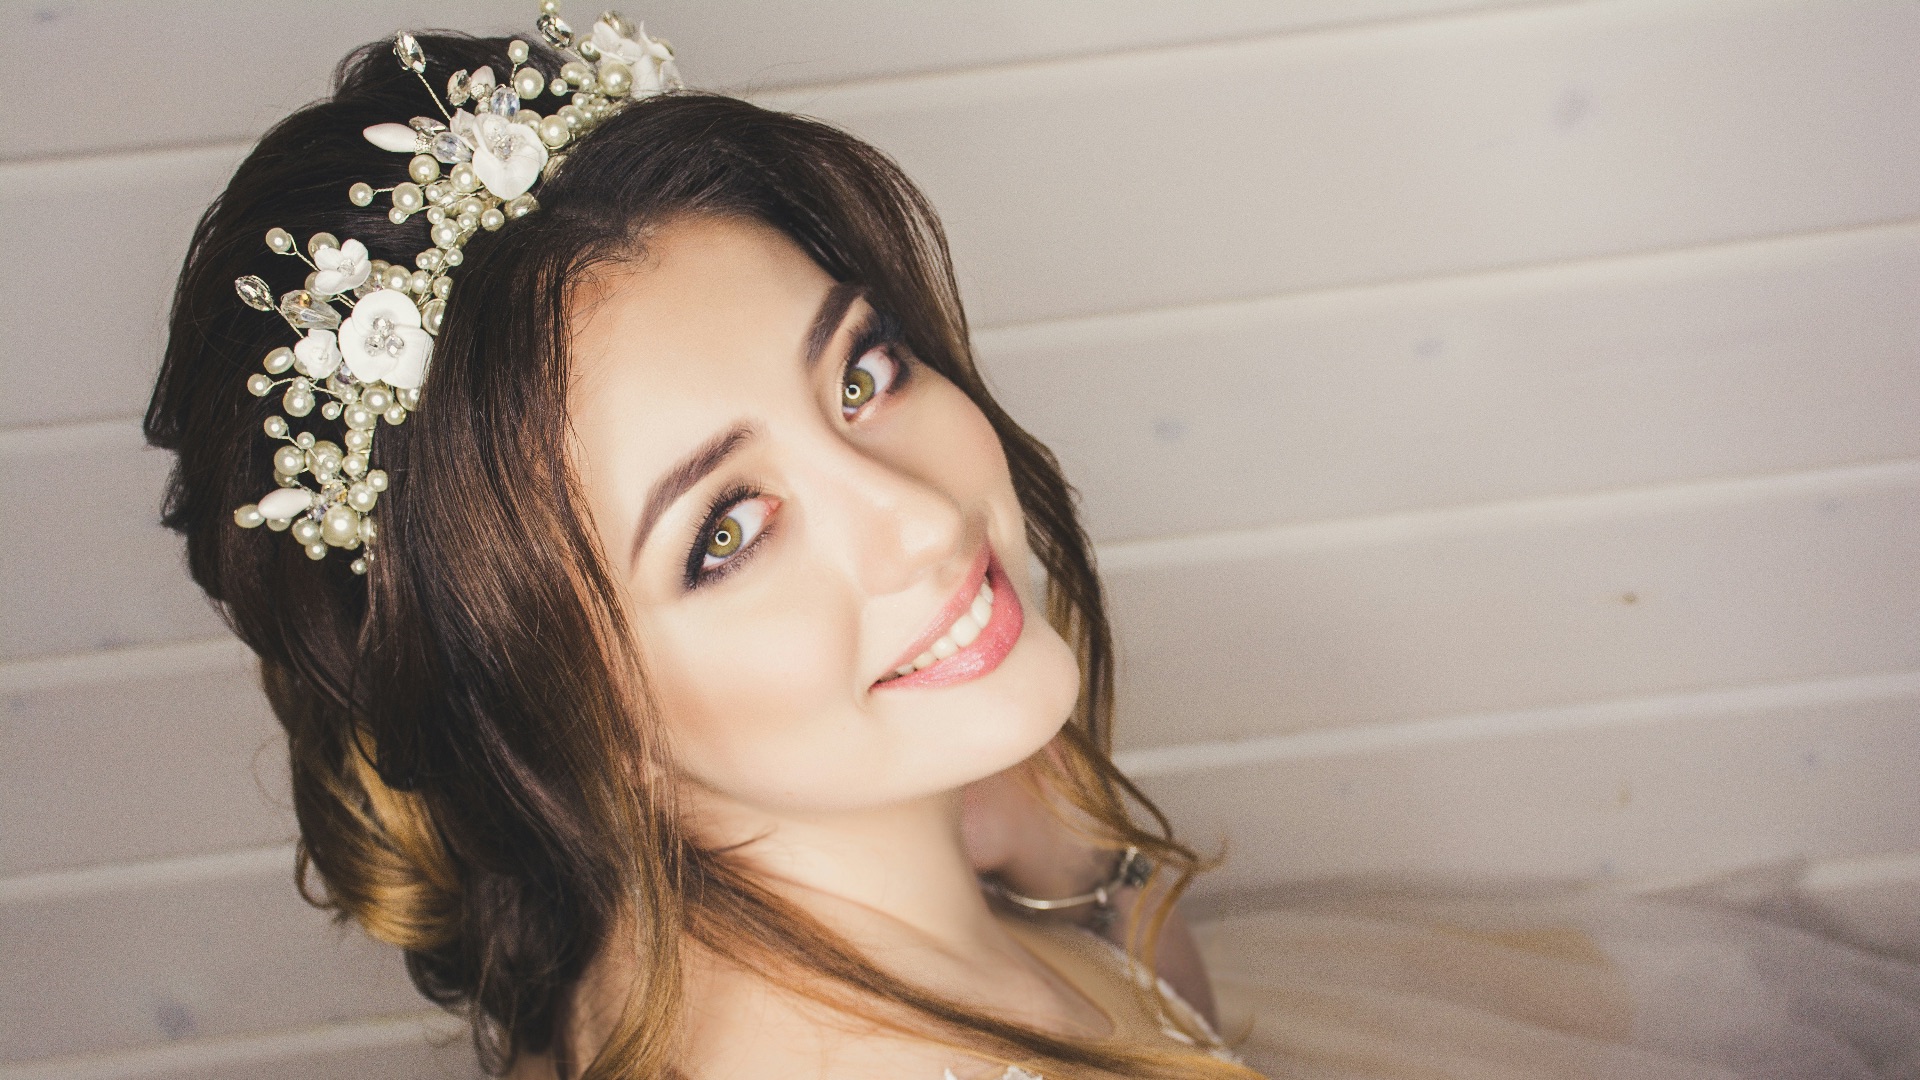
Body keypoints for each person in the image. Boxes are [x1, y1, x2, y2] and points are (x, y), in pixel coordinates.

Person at [146, 10, 1920, 1080]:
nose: (925, 515)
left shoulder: (697, 913)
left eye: (862, 373)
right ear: (540, 706)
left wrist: (1070, 863)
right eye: (727, 530)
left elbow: (1167, 1022)